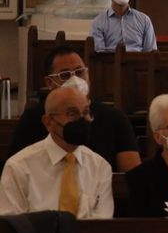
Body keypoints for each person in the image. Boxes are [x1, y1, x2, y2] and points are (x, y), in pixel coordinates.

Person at [4, 46, 140, 173]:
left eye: (80, 72)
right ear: (49, 83)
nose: (75, 79)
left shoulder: (114, 118)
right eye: (64, 75)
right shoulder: (33, 118)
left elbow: (133, 177)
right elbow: (16, 168)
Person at [0, 86, 113, 218]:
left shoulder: (100, 167)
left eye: (86, 112)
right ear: (48, 122)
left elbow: (103, 226)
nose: (82, 120)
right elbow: (10, 227)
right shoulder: (19, 167)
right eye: (72, 113)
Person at [89, 0, 158, 53]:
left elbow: (151, 51)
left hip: (138, 63)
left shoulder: (144, 20)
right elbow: (99, 53)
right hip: (111, 63)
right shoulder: (98, 22)